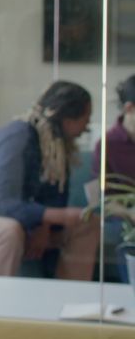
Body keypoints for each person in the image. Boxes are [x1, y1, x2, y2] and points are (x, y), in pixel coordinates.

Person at [0, 81, 99, 283]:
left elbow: (54, 198)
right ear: (67, 119)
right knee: (8, 230)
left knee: (87, 224)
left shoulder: (57, 147)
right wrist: (57, 216)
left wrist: (45, 226)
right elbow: (2, 204)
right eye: (86, 118)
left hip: (25, 224)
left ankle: (69, 306)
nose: (87, 125)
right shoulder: (17, 138)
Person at [91, 74, 135, 282]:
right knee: (124, 236)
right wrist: (129, 213)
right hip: (122, 218)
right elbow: (98, 199)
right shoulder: (106, 145)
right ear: (129, 108)